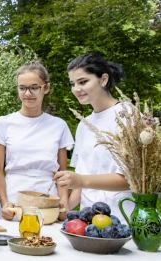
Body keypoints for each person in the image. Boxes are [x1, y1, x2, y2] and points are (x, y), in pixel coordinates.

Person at [0, 62, 74, 220]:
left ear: (45, 88)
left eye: (34, 87)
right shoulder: (3, 123)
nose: (28, 93)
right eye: (22, 88)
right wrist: (5, 202)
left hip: (47, 201)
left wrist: (64, 202)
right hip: (14, 202)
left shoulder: (59, 125)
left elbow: (62, 172)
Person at [54, 53, 132, 218]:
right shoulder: (84, 125)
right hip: (89, 222)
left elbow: (130, 180)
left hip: (122, 219)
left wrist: (81, 180)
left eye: (83, 82)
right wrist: (63, 208)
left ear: (103, 79)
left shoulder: (128, 115)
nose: (76, 89)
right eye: (73, 84)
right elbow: (80, 183)